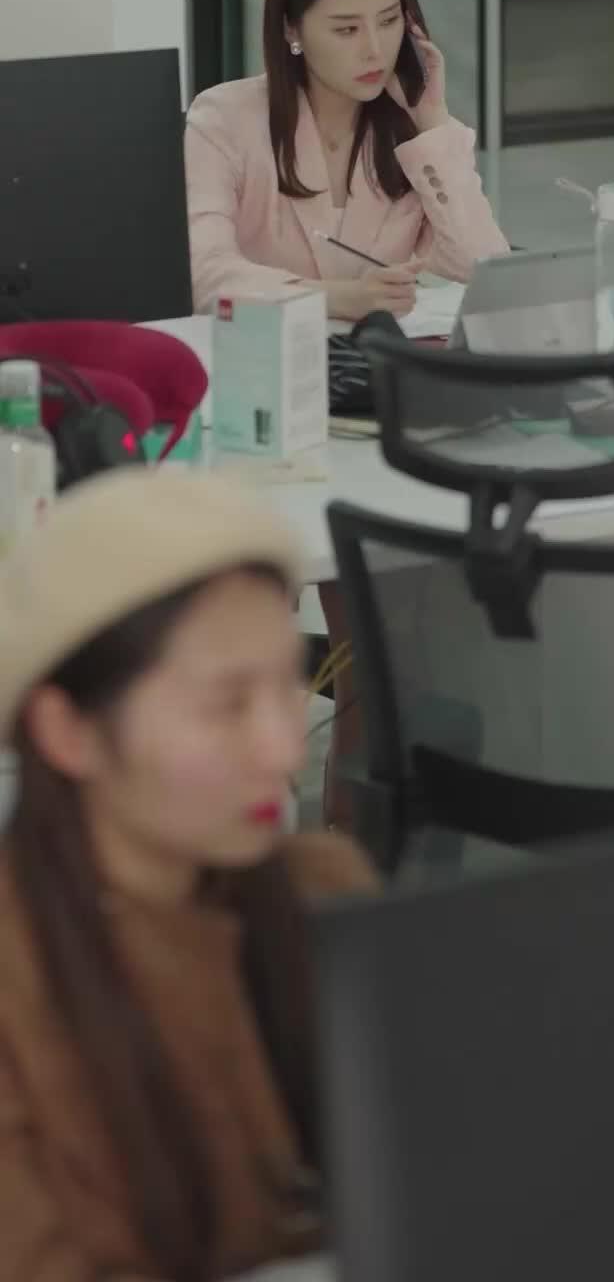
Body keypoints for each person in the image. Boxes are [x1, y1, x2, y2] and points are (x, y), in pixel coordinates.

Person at [0, 466, 376, 1282]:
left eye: (285, 685)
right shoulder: (19, 978)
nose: (283, 749)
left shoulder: (326, 890)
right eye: (225, 705)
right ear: (66, 732)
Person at [185, 0, 508, 321]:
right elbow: (205, 277)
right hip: (260, 355)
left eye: (389, 21)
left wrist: (432, 119)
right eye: (346, 30)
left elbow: (485, 272)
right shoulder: (223, 121)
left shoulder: (411, 136)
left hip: (374, 357)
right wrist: (336, 298)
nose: (375, 49)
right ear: (291, 30)